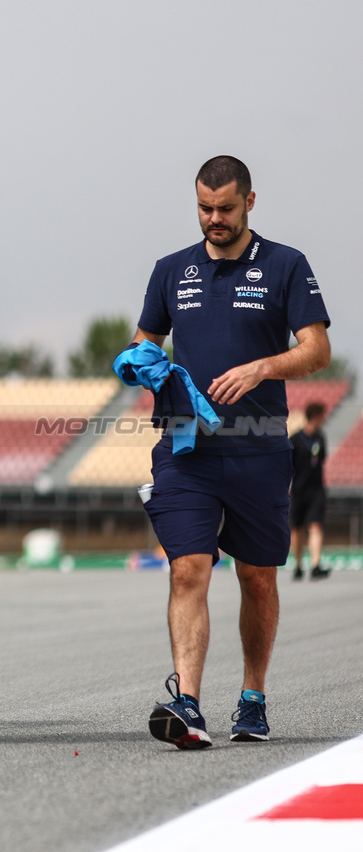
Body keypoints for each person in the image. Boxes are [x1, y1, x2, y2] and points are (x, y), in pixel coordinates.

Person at [129, 156, 330, 749]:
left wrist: (263, 367)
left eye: (224, 207)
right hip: (186, 449)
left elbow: (316, 349)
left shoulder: (286, 265)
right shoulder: (170, 270)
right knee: (189, 567)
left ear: (249, 201)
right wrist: (139, 362)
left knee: (258, 578)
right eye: (203, 208)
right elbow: (146, 344)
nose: (213, 218)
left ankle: (252, 696)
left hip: (260, 450)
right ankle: (187, 704)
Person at [289, 401, 330, 581]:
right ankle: (298, 564)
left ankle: (315, 564)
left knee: (315, 525)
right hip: (298, 490)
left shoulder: (320, 437)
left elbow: (322, 460)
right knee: (297, 529)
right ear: (315, 416)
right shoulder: (296, 440)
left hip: (316, 490)